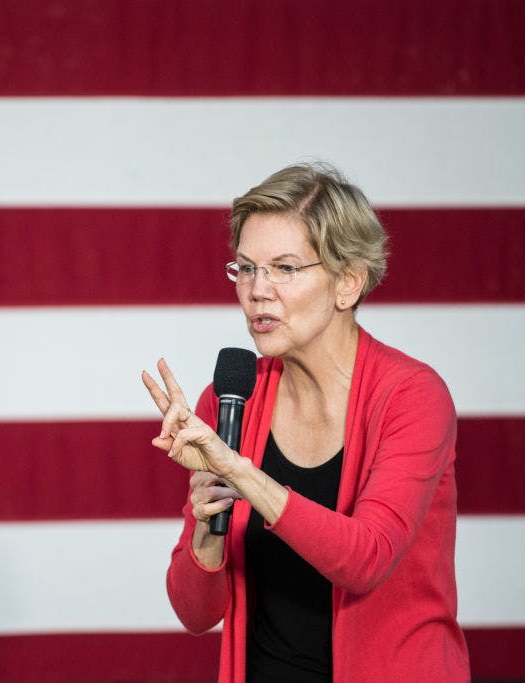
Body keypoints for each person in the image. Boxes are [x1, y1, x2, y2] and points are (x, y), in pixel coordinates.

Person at [141, 163, 470, 682]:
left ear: (347, 283)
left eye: (285, 268)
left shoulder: (410, 396)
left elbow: (366, 559)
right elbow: (196, 613)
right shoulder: (231, 399)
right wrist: (207, 523)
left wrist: (242, 474)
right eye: (245, 267)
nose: (257, 289)